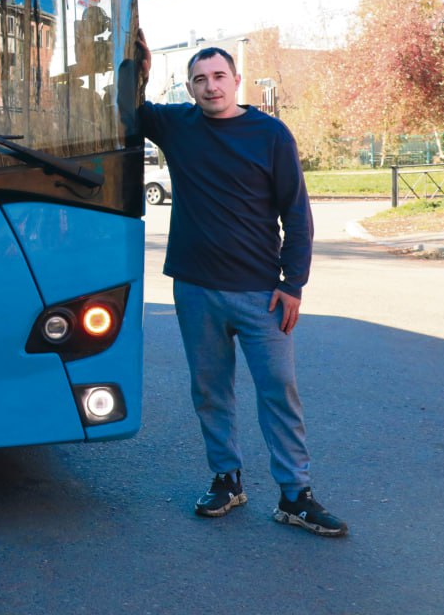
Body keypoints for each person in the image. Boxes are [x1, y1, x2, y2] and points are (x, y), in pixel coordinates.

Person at [136, 31, 348, 537]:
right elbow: (131, 106)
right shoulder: (178, 125)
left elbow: (297, 215)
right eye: (199, 80)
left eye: (218, 77)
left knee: (279, 390)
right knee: (210, 390)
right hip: (194, 288)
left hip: (261, 293)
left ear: (236, 81)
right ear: (189, 88)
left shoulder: (270, 134)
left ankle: (295, 495)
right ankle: (226, 479)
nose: (210, 87)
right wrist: (138, 66)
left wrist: (292, 284)